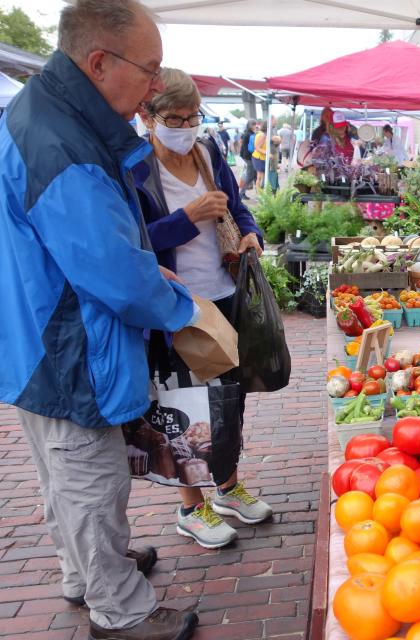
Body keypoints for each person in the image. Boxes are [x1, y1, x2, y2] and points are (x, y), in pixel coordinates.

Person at [0, 1, 200, 638]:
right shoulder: (62, 141)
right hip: (65, 344)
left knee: (63, 471)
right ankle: (121, 610)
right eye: (150, 71)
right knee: (92, 476)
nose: (154, 88)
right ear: (98, 62)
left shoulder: (41, 114)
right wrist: (182, 309)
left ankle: (87, 573)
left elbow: (85, 246)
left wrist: (139, 264)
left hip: (33, 331)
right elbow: (111, 273)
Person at [133, 67, 273, 549]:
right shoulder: (133, 167)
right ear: (147, 116)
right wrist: (184, 220)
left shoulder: (210, 152)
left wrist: (251, 231)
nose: (187, 125)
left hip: (224, 293)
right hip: (175, 306)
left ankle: (228, 485)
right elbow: (131, 243)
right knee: (185, 406)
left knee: (228, 398)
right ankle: (192, 506)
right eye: (176, 116)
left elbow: (237, 207)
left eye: (194, 115)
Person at [238, 119, 257, 195]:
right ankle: (241, 194)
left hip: (247, 156)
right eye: (253, 125)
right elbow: (247, 148)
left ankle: (259, 193)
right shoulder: (249, 134)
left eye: (255, 124)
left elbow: (243, 145)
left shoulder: (248, 133)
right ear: (250, 125)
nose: (255, 126)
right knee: (250, 176)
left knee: (254, 175)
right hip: (248, 157)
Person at [252, 121, 267, 191]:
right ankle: (259, 193)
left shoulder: (260, 134)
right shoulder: (262, 135)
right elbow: (257, 147)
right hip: (259, 157)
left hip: (260, 157)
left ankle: (260, 192)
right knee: (260, 177)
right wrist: (267, 153)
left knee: (261, 176)